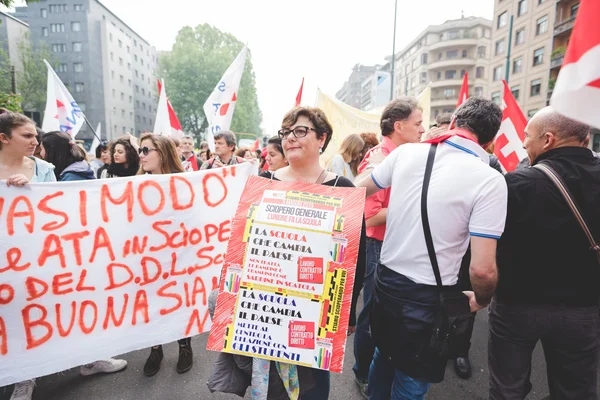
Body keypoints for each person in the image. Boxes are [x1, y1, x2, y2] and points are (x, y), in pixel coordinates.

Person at [355, 97, 507, 400]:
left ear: (452, 124)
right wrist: (481, 298)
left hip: (386, 284)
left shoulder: (406, 153)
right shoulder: (490, 181)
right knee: (411, 382)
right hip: (428, 299)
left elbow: (356, 190)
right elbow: (482, 269)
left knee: (382, 358)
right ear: (490, 141)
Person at [489, 107, 600, 400]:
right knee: (575, 391)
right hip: (585, 307)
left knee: (507, 389)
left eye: (527, 135)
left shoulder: (515, 184)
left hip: (517, 306)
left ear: (548, 140)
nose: (524, 143)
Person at [351, 97, 425, 398]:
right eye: (418, 123)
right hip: (377, 246)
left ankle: (377, 372)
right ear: (399, 125)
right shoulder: (380, 159)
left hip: (395, 247)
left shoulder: (407, 155)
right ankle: (362, 373)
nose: (423, 129)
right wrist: (415, 205)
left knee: (387, 316)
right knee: (371, 316)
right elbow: (369, 215)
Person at [136, 133, 194, 377]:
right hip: (148, 258)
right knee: (153, 303)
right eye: (140, 150)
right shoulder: (134, 185)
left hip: (179, 257)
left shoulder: (186, 183)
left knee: (179, 301)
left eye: (146, 150)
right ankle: (156, 348)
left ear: (163, 152)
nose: (141, 155)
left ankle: (184, 346)